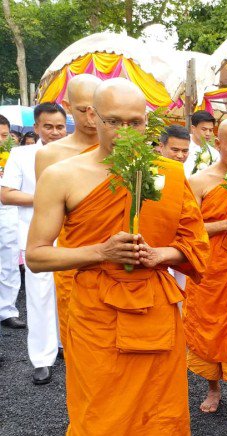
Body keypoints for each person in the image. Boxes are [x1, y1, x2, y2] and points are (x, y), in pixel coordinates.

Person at [26, 78, 209, 434]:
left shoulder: (169, 173)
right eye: (113, 121)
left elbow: (196, 244)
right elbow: (36, 256)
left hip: (155, 311)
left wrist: (159, 255)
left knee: (160, 415)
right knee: (100, 415)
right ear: (94, 117)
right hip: (97, 317)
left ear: (146, 121)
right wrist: (101, 252)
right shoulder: (62, 175)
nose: (125, 132)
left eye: (135, 122)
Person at [185, 118, 227, 419]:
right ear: (217, 145)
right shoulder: (200, 181)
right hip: (210, 270)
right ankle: (213, 388)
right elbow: (185, 229)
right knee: (208, 330)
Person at [1, 102, 67, 384]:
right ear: (36, 128)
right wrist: (47, 200)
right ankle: (42, 358)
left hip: (74, 238)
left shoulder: (79, 152)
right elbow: (7, 195)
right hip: (37, 236)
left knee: (70, 294)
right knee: (39, 297)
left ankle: (66, 344)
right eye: (48, 127)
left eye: (60, 126)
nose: (54, 132)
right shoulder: (21, 153)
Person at [34, 75, 102, 347]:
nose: (90, 117)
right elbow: (49, 214)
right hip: (73, 256)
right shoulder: (50, 155)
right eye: (82, 109)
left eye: (95, 109)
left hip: (119, 258)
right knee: (79, 339)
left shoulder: (123, 148)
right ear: (67, 105)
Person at [0, 115, 24, 330]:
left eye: (5, 135)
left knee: (9, 262)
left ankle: (7, 310)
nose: (1, 139)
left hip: (8, 213)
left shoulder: (14, 156)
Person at [184, 110, 220, 177]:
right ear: (193, 128)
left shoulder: (214, 153)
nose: (207, 134)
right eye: (204, 129)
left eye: (210, 130)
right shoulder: (182, 145)